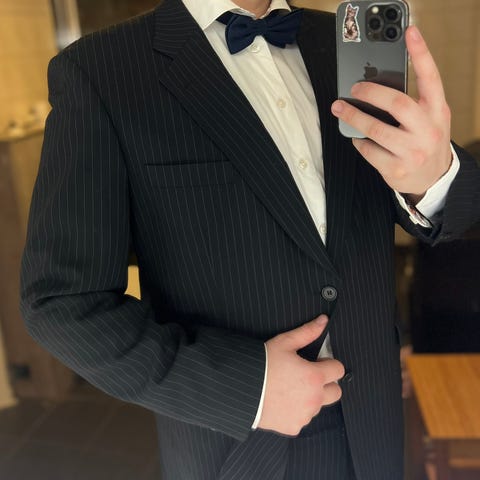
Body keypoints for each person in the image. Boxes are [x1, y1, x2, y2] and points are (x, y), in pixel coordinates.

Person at [20, 0, 480, 479]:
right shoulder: (101, 71)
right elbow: (61, 302)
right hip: (240, 447)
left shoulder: (343, 41)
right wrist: (246, 389)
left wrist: (435, 178)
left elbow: (458, 215)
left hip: (376, 425)